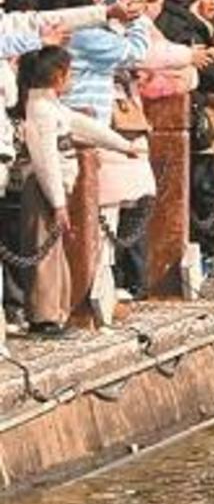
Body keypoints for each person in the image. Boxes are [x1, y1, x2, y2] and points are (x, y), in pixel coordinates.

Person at [19, 46, 141, 336]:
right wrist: (58, 203)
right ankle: (43, 316)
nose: (72, 78)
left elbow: (85, 126)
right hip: (43, 188)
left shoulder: (52, 107)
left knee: (54, 250)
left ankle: (56, 311)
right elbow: (45, 160)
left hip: (56, 188)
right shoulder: (40, 110)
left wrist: (123, 145)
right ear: (58, 76)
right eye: (69, 73)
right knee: (44, 250)